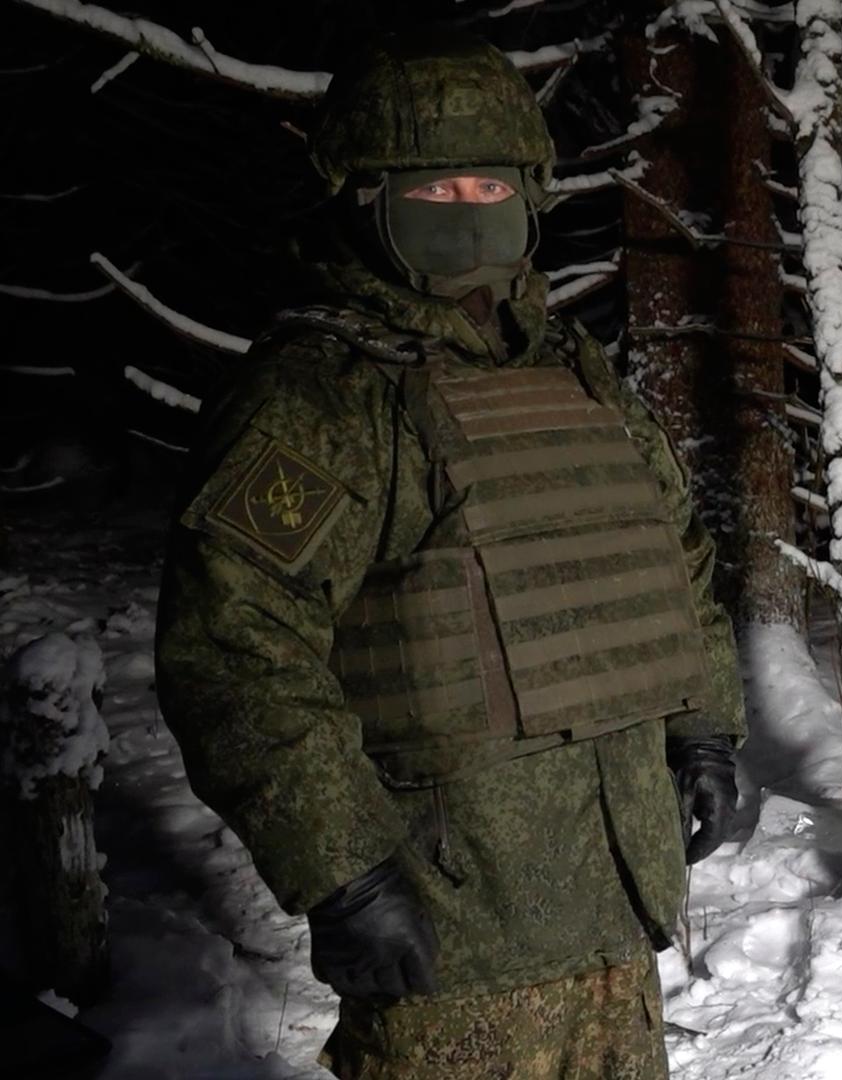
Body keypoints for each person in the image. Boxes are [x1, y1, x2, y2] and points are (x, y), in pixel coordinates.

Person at [154, 27, 744, 1080]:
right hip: (452, 934)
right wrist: (345, 870)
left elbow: (675, 558)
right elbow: (235, 647)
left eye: (487, 183)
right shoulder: (322, 396)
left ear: (531, 192)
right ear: (363, 197)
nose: (466, 210)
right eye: (433, 186)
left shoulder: (574, 370)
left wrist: (704, 728)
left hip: (616, 908)